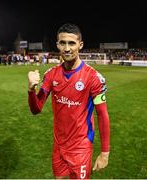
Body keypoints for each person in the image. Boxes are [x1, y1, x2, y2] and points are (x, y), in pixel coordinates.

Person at [28, 23, 110, 179]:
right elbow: (36, 109)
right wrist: (31, 90)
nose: (67, 48)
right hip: (58, 146)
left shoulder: (93, 78)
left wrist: (105, 153)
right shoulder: (51, 75)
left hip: (81, 147)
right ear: (57, 44)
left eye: (71, 43)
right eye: (62, 43)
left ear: (80, 45)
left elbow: (103, 115)